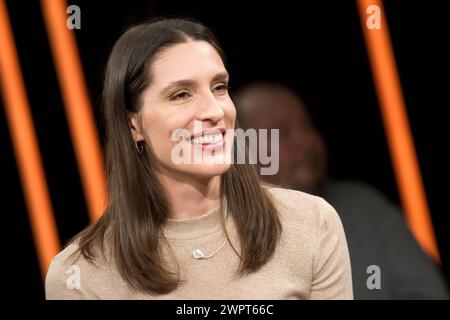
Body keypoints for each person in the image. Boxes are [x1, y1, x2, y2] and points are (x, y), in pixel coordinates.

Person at [45, 18, 352, 299]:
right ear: (133, 125)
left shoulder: (311, 224)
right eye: (181, 94)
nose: (215, 111)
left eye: (219, 88)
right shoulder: (80, 276)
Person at [235, 81, 449, 299]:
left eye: (308, 125)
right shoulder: (220, 232)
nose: (307, 141)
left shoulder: (365, 207)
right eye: (281, 132)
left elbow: (428, 294)